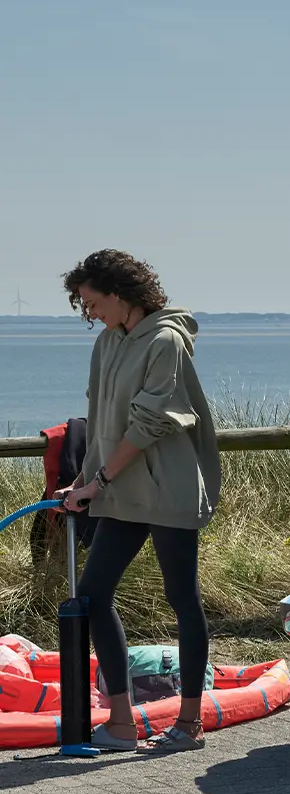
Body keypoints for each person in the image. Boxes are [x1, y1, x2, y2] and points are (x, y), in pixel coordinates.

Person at [56, 250, 221, 753]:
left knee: (181, 598)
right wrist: (83, 480)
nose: (90, 313)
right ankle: (122, 724)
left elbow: (149, 423)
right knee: (91, 596)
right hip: (117, 487)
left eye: (93, 302)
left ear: (120, 293)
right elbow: (102, 420)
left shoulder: (167, 340)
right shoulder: (107, 343)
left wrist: (98, 479)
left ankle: (188, 725)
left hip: (165, 486)